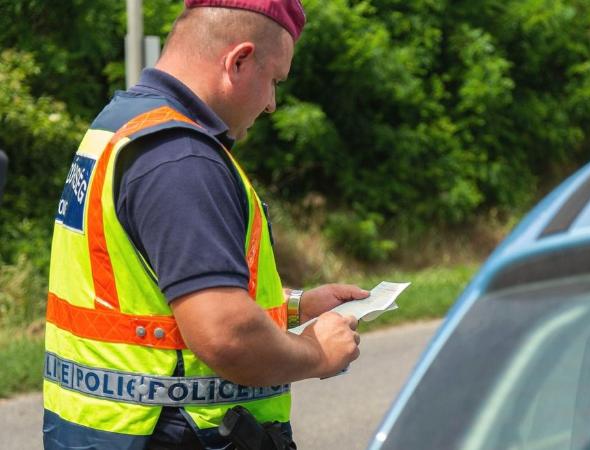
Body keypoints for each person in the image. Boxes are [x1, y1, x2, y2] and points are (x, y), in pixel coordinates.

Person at [43, 1, 364, 449]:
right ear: (238, 60)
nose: (272, 104)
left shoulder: (123, 123)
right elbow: (225, 335)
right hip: (177, 434)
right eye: (273, 81)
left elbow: (152, 293)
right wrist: (316, 352)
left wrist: (294, 305)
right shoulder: (182, 158)